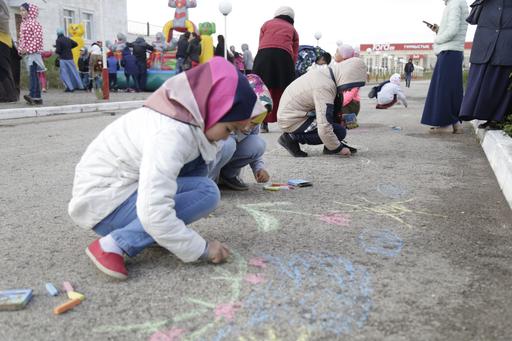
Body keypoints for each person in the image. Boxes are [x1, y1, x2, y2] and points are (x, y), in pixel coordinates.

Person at [68, 57, 265, 280]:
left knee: (201, 169)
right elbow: (153, 210)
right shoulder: (171, 134)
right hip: (106, 206)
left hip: (118, 192)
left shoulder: (186, 118)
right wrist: (200, 248)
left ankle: (153, 234)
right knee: (206, 193)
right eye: (229, 128)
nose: (227, 137)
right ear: (212, 110)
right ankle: (114, 244)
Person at [277, 58, 366, 157]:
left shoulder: (326, 76)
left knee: (334, 118)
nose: (350, 89)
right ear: (348, 76)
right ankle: (290, 138)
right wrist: (338, 148)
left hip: (294, 115)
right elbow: (324, 125)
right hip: (292, 120)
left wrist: (341, 118)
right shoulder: (325, 86)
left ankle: (330, 145)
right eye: (352, 84)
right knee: (338, 131)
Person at [208, 74, 272, 190]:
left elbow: (254, 141)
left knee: (258, 144)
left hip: (225, 155)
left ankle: (227, 176)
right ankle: (207, 180)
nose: (248, 127)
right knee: (228, 143)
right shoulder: (222, 110)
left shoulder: (254, 120)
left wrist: (258, 168)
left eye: (255, 123)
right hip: (208, 160)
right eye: (250, 120)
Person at [459, 0, 512, 130]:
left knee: (501, 79)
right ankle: (488, 116)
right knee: (484, 79)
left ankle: (497, 118)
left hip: (506, 40)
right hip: (486, 38)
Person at [420, 0, 468, 134]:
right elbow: (453, 29)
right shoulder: (458, 3)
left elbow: (453, 31)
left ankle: (444, 124)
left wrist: (437, 39)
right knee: (451, 89)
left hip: (449, 51)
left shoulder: (454, 3)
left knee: (443, 89)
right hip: (454, 51)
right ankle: (454, 123)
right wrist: (439, 30)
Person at [253, 6, 299, 133]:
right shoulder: (292, 29)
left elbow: (260, 43)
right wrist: (290, 68)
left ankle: (263, 123)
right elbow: (294, 53)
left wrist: (260, 61)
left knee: (262, 89)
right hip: (283, 57)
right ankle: (286, 123)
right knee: (285, 90)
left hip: (263, 56)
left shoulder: (266, 24)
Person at [18, 3, 44, 105]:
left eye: (24, 10)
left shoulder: (35, 23)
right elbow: (22, 39)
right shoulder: (23, 24)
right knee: (32, 74)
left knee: (33, 74)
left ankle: (33, 95)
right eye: (21, 10)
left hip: (34, 53)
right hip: (28, 53)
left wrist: (28, 49)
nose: (22, 12)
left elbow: (38, 39)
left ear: (30, 11)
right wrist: (21, 49)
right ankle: (37, 97)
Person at [0, 0, 19, 102]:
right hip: (3, 44)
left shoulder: (3, 18)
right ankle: (4, 95)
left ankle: (11, 95)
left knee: (4, 70)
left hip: (3, 44)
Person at [55, 28, 83, 92]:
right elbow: (76, 44)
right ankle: (79, 86)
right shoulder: (68, 39)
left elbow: (58, 51)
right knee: (73, 72)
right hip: (70, 58)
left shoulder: (58, 40)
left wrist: (57, 48)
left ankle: (70, 88)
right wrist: (69, 48)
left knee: (65, 74)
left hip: (63, 59)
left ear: (57, 33)